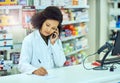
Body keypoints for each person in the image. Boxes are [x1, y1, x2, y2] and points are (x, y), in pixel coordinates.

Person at [18, 6, 66, 76]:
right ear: (42, 21)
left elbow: (60, 63)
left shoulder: (56, 41)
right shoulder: (29, 40)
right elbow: (22, 65)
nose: (49, 30)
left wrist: (53, 44)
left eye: (53, 28)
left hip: (52, 78)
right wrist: (34, 70)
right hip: (36, 79)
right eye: (47, 25)